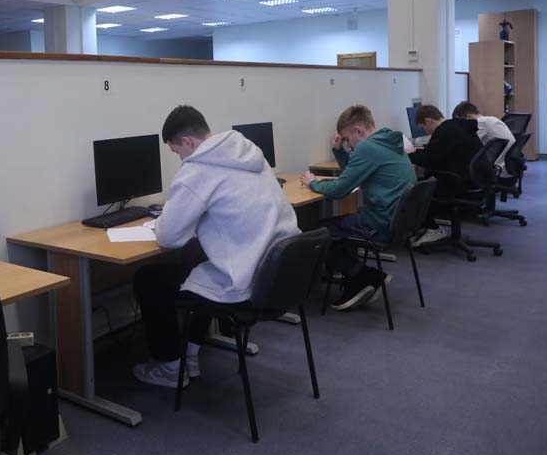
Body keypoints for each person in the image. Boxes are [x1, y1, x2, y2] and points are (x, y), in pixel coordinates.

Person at [131, 105, 299, 388]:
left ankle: (171, 367)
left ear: (187, 142)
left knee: (148, 279)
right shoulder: (248, 152)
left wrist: (162, 221)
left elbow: (169, 237)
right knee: (197, 257)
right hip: (276, 276)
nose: (179, 158)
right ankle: (191, 353)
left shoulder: (198, 169)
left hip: (245, 284)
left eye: (176, 151)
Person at [300, 105, 416, 311]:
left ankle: (361, 277)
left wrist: (312, 183)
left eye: (347, 139)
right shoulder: (389, 142)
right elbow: (354, 174)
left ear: (358, 130)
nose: (349, 145)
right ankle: (360, 277)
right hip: (399, 223)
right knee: (340, 224)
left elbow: (340, 189)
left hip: (380, 225)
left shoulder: (368, 148)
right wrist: (339, 151)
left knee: (319, 231)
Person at [408, 105, 486, 245]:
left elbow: (428, 159)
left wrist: (406, 155)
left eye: (424, 128)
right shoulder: (457, 127)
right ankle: (427, 226)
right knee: (426, 179)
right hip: (476, 182)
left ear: (429, 121)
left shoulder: (446, 131)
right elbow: (437, 153)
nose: (426, 132)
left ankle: (433, 229)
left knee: (416, 192)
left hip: (461, 184)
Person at [451, 101, 516, 173]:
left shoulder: (479, 123)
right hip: (510, 168)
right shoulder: (492, 119)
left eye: (460, 122)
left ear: (468, 117)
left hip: (498, 170)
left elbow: (467, 145)